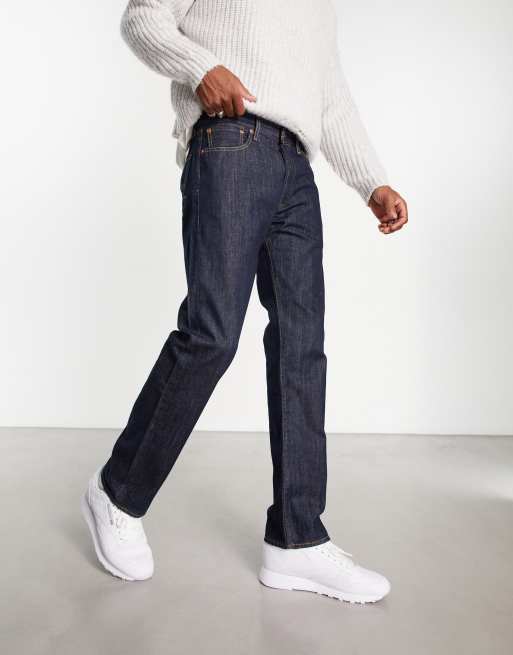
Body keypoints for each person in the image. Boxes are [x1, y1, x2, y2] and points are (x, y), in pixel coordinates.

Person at [81, 0, 407, 604]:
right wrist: (200, 67)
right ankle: (116, 493)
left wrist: (372, 180)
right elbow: (143, 17)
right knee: (212, 334)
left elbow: (329, 93)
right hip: (231, 141)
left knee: (302, 351)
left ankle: (297, 539)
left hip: (296, 168)